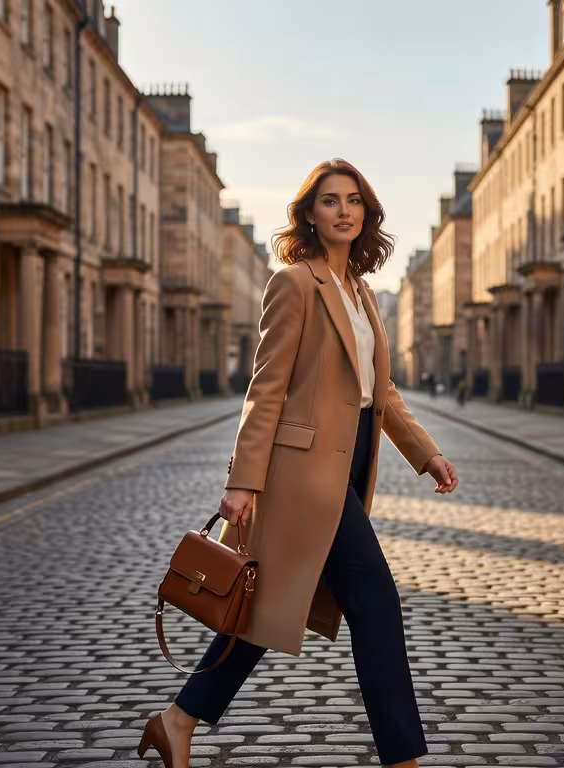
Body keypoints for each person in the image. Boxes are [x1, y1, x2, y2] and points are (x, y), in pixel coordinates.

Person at [138, 159, 460, 768]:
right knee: (377, 604)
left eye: (354, 200)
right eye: (331, 200)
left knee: (266, 610)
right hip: (303, 475)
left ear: (367, 214)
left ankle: (177, 721)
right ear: (310, 214)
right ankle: (405, 759)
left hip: (347, 467)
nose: (344, 210)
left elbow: (380, 393)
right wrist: (242, 480)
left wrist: (427, 453)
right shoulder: (294, 283)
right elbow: (266, 388)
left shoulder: (362, 294)